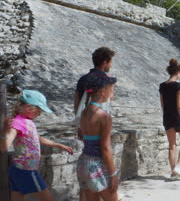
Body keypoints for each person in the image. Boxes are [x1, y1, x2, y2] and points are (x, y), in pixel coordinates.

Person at [0, 90, 74, 201]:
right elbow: (4, 147)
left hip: (18, 169)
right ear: (29, 107)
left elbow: (36, 138)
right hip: (26, 171)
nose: (40, 114)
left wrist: (58, 144)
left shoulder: (27, 121)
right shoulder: (17, 123)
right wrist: (4, 131)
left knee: (17, 197)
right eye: (39, 110)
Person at [76, 73, 119, 201]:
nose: (112, 92)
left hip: (83, 163)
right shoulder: (104, 116)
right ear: (102, 91)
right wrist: (113, 174)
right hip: (96, 166)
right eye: (111, 89)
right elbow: (105, 148)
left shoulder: (84, 112)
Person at [74, 47, 116, 140]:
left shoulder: (83, 79)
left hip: (85, 124)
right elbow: (109, 102)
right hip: (102, 123)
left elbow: (77, 103)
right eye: (111, 62)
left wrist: (79, 127)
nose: (111, 65)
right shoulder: (108, 80)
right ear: (105, 62)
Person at [159, 59, 180, 179]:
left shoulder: (162, 86)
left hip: (167, 116)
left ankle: (173, 172)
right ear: (178, 72)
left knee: (172, 145)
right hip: (177, 117)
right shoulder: (178, 86)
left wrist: (166, 115)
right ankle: (179, 166)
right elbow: (179, 106)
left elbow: (162, 104)